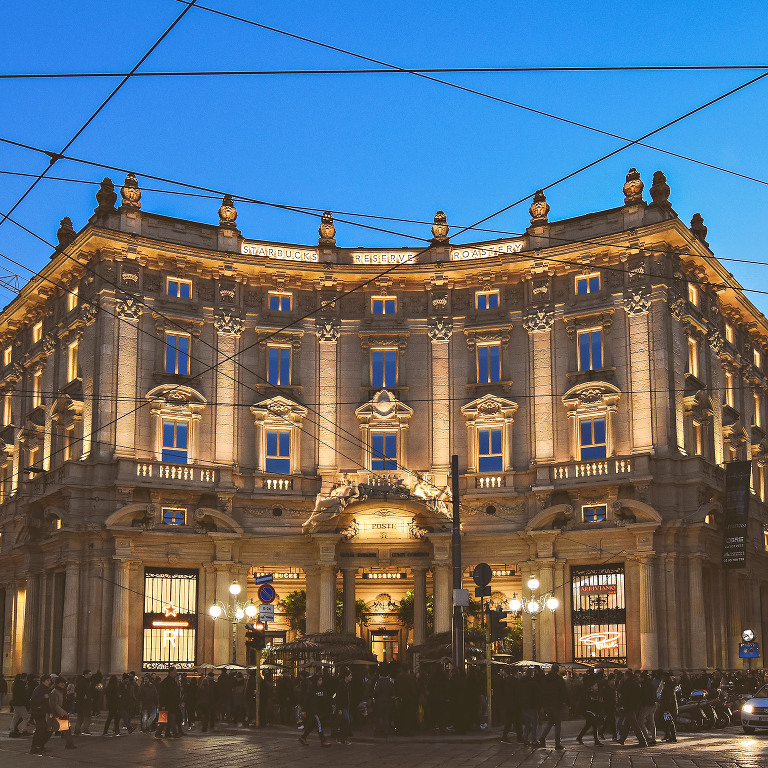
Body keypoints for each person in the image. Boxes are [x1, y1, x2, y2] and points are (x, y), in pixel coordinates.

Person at [537, 664, 569, 750]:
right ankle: (557, 743)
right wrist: (567, 703)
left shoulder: (544, 679)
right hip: (557, 704)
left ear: (551, 669)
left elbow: (541, 692)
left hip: (547, 704)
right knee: (557, 724)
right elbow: (564, 693)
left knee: (551, 721)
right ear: (557, 670)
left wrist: (542, 705)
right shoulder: (559, 680)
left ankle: (543, 737)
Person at [298, 675, 332, 747]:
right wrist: (304, 710)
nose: (321, 682)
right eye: (319, 680)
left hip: (320, 710)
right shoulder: (311, 689)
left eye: (321, 680)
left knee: (312, 724)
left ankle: (303, 737)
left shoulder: (322, 689)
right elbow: (306, 700)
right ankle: (323, 741)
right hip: (313, 710)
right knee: (319, 724)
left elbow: (325, 699)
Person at [29, 674, 53, 755]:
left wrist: (49, 712)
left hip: (41, 711)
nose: (49, 682)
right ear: (43, 681)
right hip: (37, 712)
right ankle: (35, 747)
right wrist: (44, 698)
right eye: (47, 680)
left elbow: (47, 702)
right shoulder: (39, 689)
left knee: (45, 728)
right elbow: (33, 700)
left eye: (49, 680)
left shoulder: (45, 689)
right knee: (41, 729)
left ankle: (39, 745)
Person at [48, 677, 76, 750]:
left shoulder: (62, 691)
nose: (63, 684)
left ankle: (69, 744)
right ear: (57, 683)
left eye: (64, 682)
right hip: (57, 714)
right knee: (49, 731)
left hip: (61, 712)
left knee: (66, 729)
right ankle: (39, 744)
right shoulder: (54, 692)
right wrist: (63, 712)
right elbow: (54, 704)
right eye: (61, 683)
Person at [576, 676, 603, 746]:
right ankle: (596, 740)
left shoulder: (595, 693)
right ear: (591, 686)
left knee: (588, 725)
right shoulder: (588, 693)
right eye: (595, 686)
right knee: (594, 724)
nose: (597, 687)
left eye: (597, 686)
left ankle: (579, 737)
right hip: (587, 711)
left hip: (591, 711)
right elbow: (588, 703)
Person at [501, 669, 523, 743]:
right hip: (515, 705)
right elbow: (518, 694)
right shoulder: (516, 682)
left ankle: (504, 736)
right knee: (518, 722)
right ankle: (519, 737)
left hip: (508, 704)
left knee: (508, 721)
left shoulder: (507, 681)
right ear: (516, 673)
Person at [520, 668, 540, 746]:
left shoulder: (521, 682)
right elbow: (537, 695)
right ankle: (534, 740)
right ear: (532, 674)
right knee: (534, 724)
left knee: (526, 724)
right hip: (532, 706)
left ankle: (525, 739)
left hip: (524, 705)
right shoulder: (533, 683)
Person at [658, 673, 678, 743]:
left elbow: (668, 699)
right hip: (669, 707)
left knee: (668, 721)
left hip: (668, 707)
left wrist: (666, 708)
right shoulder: (668, 685)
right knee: (667, 722)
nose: (662, 679)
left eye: (663, 677)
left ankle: (672, 736)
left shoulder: (668, 686)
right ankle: (669, 735)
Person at [73, 670, 93, 736]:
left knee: (81, 716)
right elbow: (77, 690)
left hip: (83, 702)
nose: (91, 675)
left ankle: (77, 730)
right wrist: (84, 695)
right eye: (89, 674)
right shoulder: (83, 681)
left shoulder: (85, 681)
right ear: (86, 674)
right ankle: (85, 729)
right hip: (83, 702)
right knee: (86, 716)